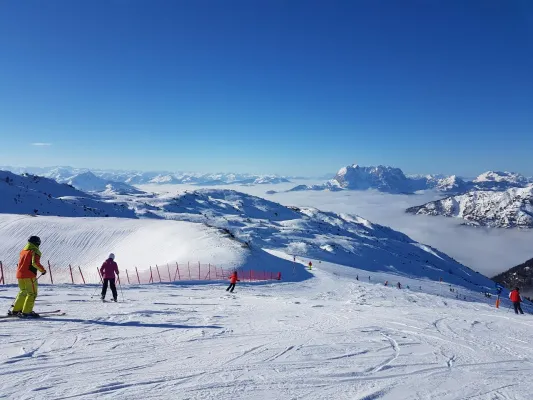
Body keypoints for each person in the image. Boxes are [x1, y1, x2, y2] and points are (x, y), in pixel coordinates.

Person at [10, 236, 47, 318]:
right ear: (37, 243)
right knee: (32, 293)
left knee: (23, 292)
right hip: (29, 275)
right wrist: (43, 270)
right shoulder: (34, 251)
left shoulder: (23, 251)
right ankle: (27, 312)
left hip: (20, 274)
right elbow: (35, 263)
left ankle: (16, 310)